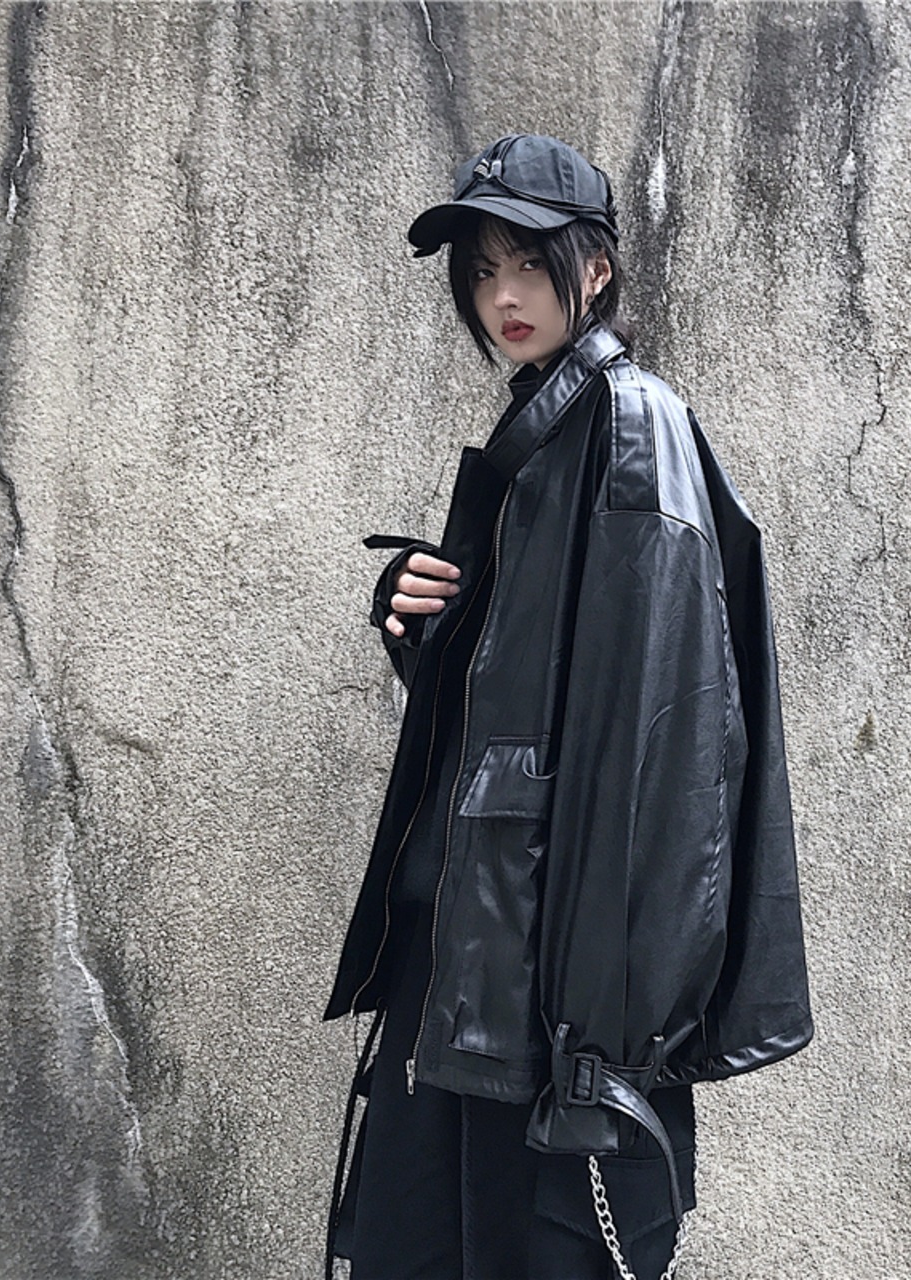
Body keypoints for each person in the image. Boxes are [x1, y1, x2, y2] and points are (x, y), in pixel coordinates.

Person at [323, 133, 812, 1280]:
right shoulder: (544, 434)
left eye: (527, 263)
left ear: (592, 268)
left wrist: (602, 1048)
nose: (501, 296)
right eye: (480, 269)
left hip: (546, 1007)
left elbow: (663, 758)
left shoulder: (627, 429)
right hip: (472, 969)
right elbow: (524, 724)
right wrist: (426, 633)